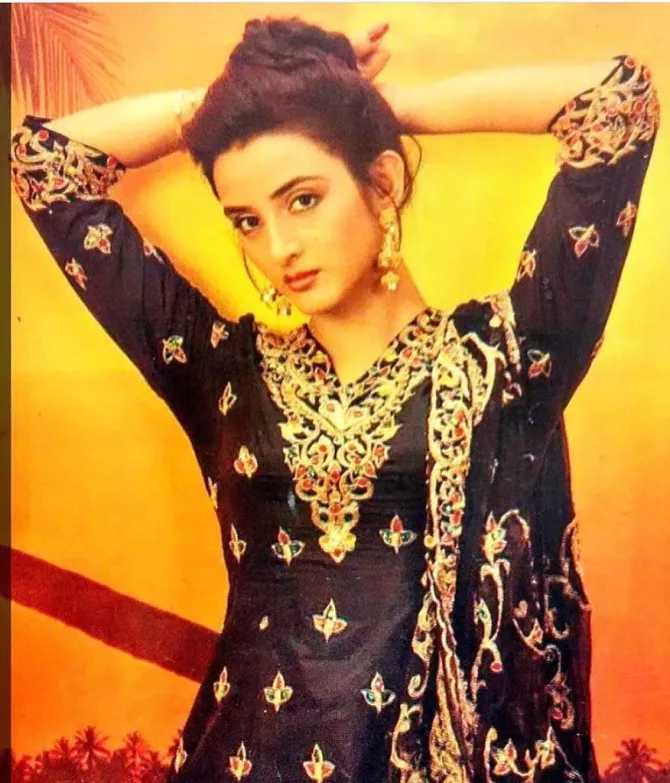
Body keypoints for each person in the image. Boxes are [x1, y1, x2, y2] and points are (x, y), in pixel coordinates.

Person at [9, 15, 659, 783]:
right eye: (247, 220)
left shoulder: (508, 362)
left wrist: (375, 108)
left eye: (303, 199)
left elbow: (615, 103)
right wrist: (234, 102)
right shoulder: (223, 373)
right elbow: (45, 165)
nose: (278, 246)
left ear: (382, 182)